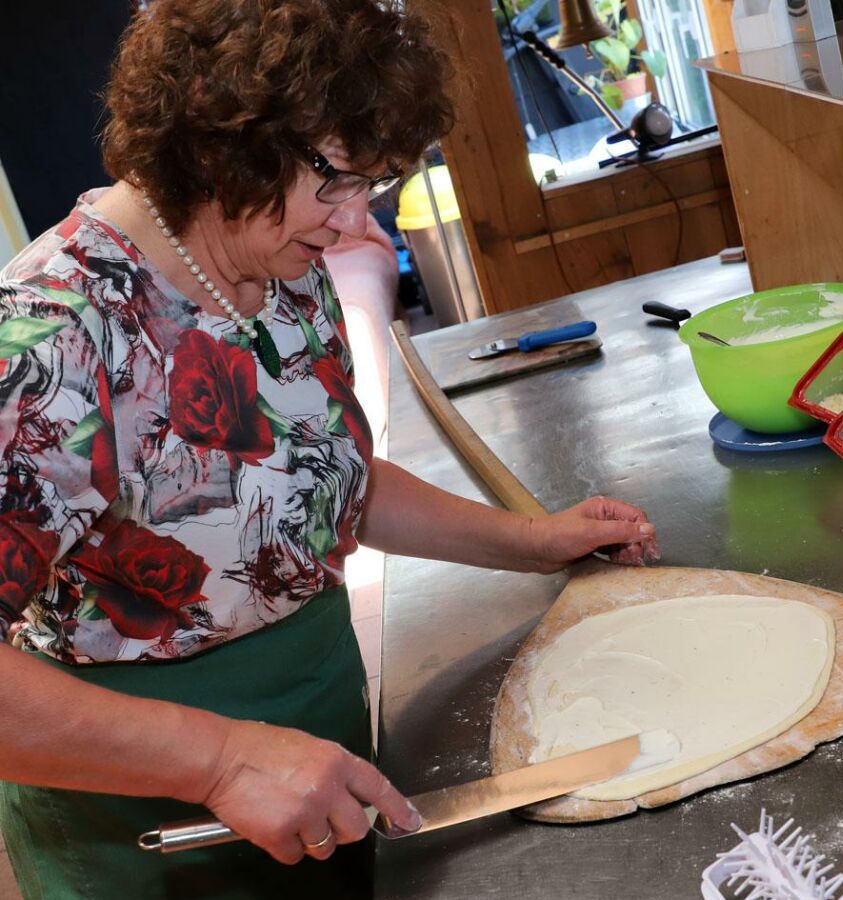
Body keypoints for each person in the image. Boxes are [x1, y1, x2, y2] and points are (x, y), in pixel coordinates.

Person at [0, 1, 660, 897]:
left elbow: (319, 481)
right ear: (220, 133)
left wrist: (532, 541)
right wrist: (222, 762)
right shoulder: (49, 338)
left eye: (375, 188)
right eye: (340, 181)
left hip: (319, 740)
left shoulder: (281, 267)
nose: (357, 226)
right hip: (145, 811)